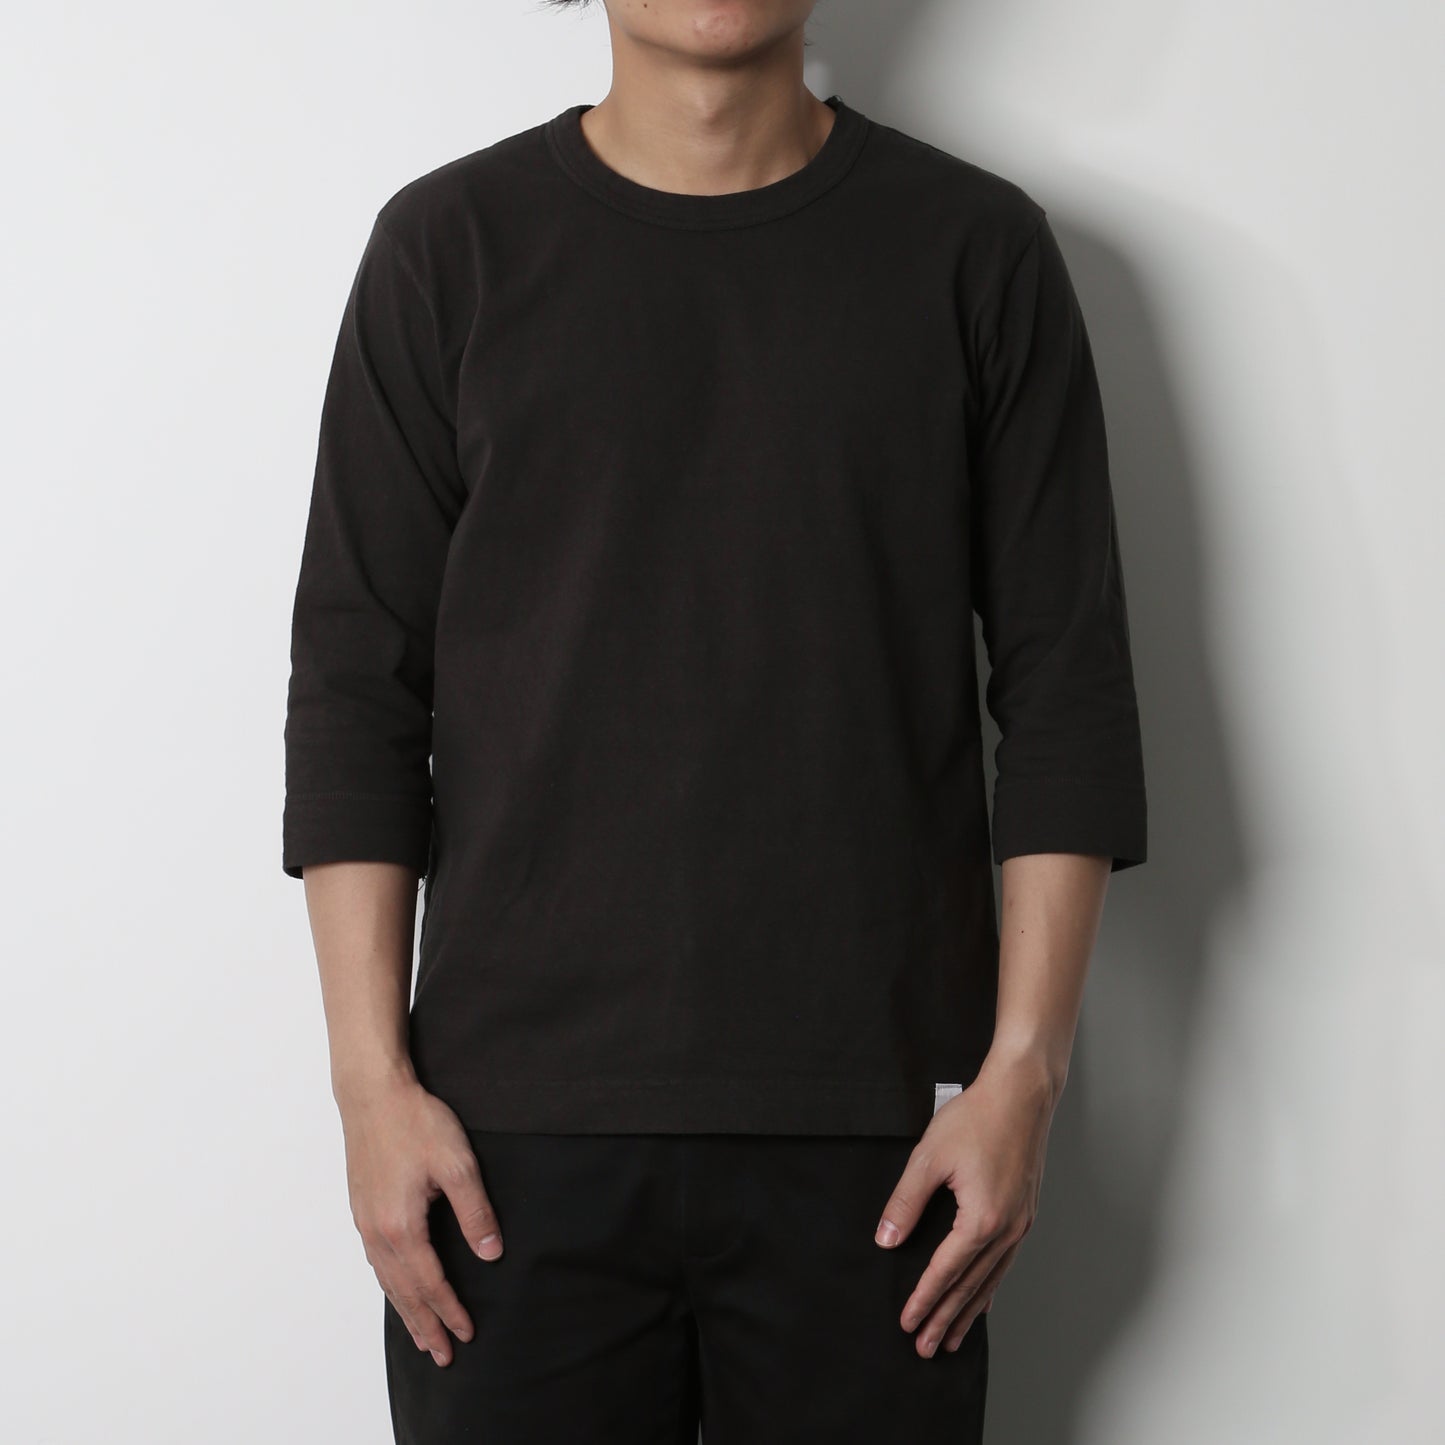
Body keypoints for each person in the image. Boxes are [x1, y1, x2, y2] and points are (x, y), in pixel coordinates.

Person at [281, 2, 1148, 1440]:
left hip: (880, 1142)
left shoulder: (975, 251)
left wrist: (1022, 1078)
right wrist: (370, 1089)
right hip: (507, 1150)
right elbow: (355, 692)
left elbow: (1066, 691)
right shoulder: (447, 249)